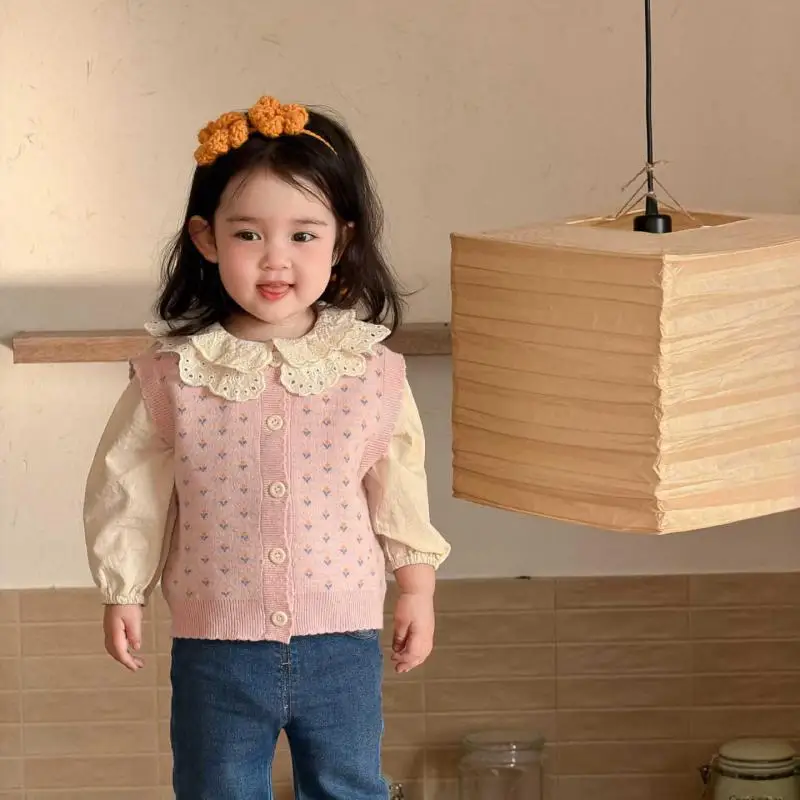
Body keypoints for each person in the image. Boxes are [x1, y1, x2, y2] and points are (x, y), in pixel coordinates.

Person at [83, 94, 450, 800]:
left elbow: (398, 486)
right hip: (216, 646)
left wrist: (417, 588)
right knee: (215, 788)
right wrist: (123, 591)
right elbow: (130, 490)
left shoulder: (370, 371)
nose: (276, 259)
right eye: (248, 234)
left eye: (303, 235)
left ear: (341, 241)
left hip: (342, 639)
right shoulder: (174, 374)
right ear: (206, 238)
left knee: (349, 787)